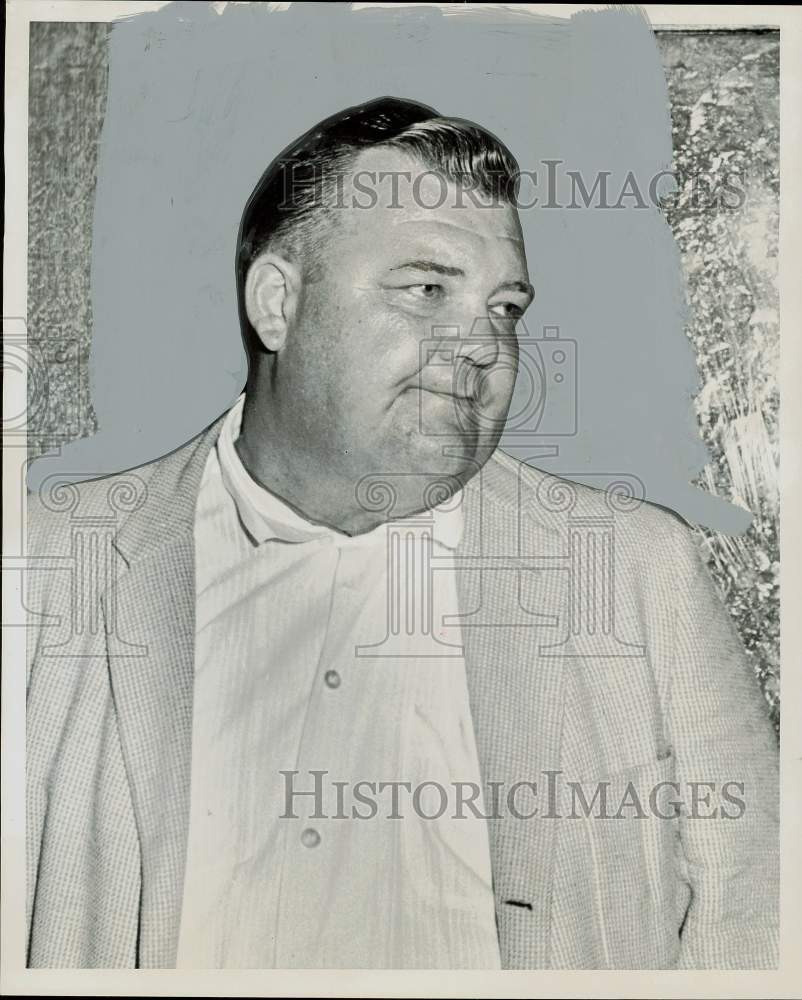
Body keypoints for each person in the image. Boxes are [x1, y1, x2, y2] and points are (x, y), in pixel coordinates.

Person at [25, 97, 779, 970]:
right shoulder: (48, 569)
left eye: (505, 308)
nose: (482, 347)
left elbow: (758, 921)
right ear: (277, 303)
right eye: (427, 289)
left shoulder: (637, 572)